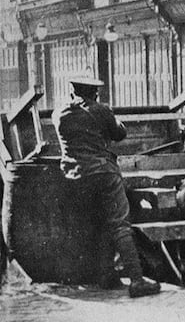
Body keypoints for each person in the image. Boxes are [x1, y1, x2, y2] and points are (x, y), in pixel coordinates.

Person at [52, 77, 161, 298]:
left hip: (75, 177)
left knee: (100, 223)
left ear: (72, 91)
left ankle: (107, 275)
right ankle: (137, 281)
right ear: (95, 93)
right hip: (104, 174)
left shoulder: (59, 113)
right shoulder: (101, 110)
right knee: (119, 224)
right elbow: (119, 133)